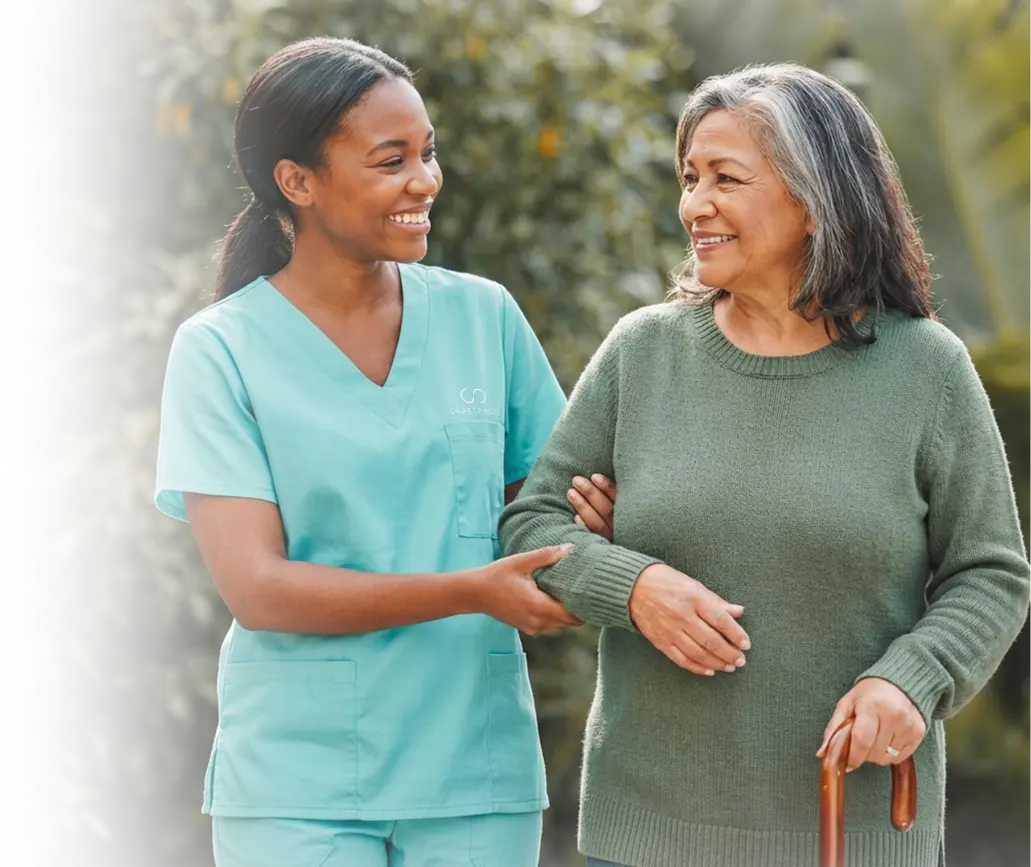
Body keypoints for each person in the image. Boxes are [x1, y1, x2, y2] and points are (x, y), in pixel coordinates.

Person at [498, 62, 1031, 867]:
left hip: (851, 833)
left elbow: (990, 573)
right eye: (688, 177)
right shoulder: (642, 353)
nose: (692, 204)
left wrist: (912, 679)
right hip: (647, 835)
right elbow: (530, 526)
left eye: (724, 177)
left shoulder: (926, 369)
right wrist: (634, 586)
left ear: (813, 201)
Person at [153, 36, 618, 867]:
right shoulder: (220, 350)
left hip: (475, 774)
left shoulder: (485, 318)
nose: (425, 180)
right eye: (390, 159)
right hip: (299, 786)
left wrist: (589, 543)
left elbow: (552, 512)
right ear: (297, 182)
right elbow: (258, 588)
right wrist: (473, 589)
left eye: (428, 153)